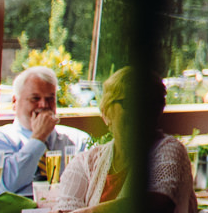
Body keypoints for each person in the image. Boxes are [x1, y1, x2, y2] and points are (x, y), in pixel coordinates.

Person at [60, 69, 197, 213]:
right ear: (106, 113)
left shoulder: (169, 151)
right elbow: (63, 210)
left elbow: (157, 204)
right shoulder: (85, 163)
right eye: (130, 102)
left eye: (148, 104)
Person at [0, 66, 92, 195]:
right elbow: (6, 186)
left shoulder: (77, 140)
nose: (44, 105)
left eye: (50, 98)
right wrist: (38, 138)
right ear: (15, 102)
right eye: (35, 98)